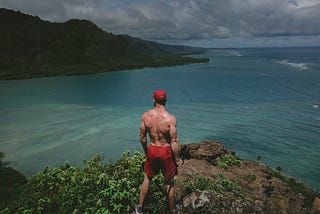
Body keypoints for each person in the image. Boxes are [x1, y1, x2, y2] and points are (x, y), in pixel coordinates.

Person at [136, 90, 181, 214]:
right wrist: (177, 159)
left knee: (147, 178)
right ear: (166, 100)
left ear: (153, 100)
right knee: (169, 182)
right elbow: (174, 141)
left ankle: (139, 208)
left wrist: (147, 152)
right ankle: (172, 210)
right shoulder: (170, 119)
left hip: (153, 149)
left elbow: (142, 137)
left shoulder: (146, 116)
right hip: (165, 151)